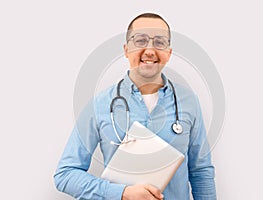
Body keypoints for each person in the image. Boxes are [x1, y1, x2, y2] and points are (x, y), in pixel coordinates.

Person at [54, 13, 217, 200]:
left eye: (159, 42)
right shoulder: (99, 105)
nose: (150, 51)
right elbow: (65, 174)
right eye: (140, 41)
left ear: (169, 53)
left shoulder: (189, 101)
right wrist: (121, 193)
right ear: (126, 50)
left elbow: (201, 172)